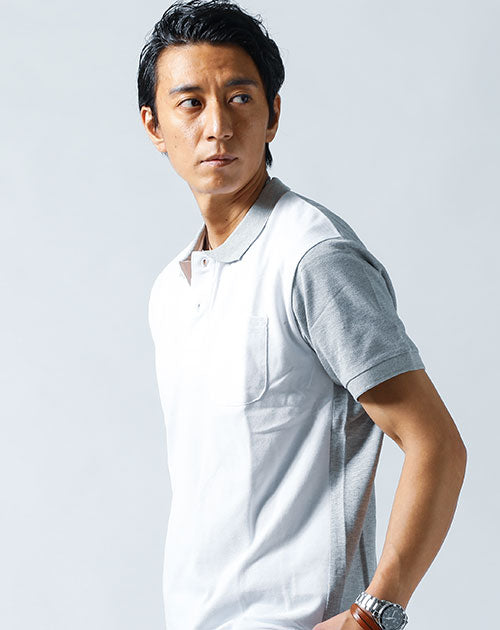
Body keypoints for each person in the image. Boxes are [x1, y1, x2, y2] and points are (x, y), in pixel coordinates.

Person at [137, 2, 467, 629]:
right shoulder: (172, 289)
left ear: (273, 115)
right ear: (154, 125)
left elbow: (437, 444)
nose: (217, 127)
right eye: (191, 103)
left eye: (239, 98)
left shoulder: (312, 258)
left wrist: (375, 614)